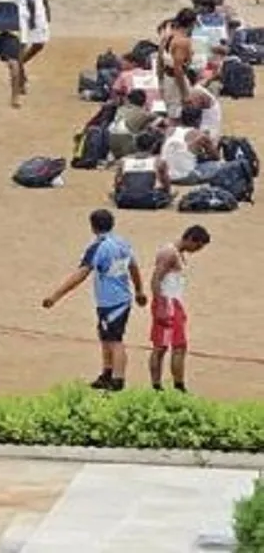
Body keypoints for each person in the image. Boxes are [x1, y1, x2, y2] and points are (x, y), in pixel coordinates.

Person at [42, 210, 148, 391]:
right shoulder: (123, 243)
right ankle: (107, 373)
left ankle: (118, 379)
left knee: (115, 339)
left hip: (110, 301)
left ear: (92, 226)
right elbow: (134, 267)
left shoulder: (98, 247)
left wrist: (55, 296)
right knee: (105, 337)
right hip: (122, 298)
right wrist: (139, 290)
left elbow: (81, 274)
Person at [149, 225, 212, 393]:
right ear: (190, 239)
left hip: (173, 303)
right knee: (169, 347)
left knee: (171, 346)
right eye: (197, 246)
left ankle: (167, 386)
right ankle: (170, 386)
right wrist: (161, 306)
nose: (197, 250)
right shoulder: (169, 254)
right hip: (168, 303)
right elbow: (155, 279)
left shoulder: (176, 253)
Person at [113, 131, 172, 209]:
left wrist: (118, 193)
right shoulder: (159, 161)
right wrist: (167, 193)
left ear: (135, 145)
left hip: (125, 200)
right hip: (149, 200)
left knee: (114, 194)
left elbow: (117, 183)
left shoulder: (123, 160)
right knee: (165, 195)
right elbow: (166, 182)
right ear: (153, 146)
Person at [161, 107, 217, 184]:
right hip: (186, 177)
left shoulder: (168, 131)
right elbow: (215, 157)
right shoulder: (200, 135)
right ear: (199, 119)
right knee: (219, 165)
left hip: (167, 175)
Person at [160, 8, 197, 117]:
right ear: (192, 24)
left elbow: (160, 60)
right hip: (176, 83)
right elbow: (178, 69)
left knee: (171, 110)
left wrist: (160, 80)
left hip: (167, 79)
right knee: (178, 114)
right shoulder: (182, 41)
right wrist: (185, 93)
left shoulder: (167, 36)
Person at [108, 90, 159, 159]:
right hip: (128, 147)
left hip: (112, 144)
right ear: (144, 101)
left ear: (129, 100)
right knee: (150, 133)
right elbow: (158, 117)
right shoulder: (142, 113)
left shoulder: (120, 109)